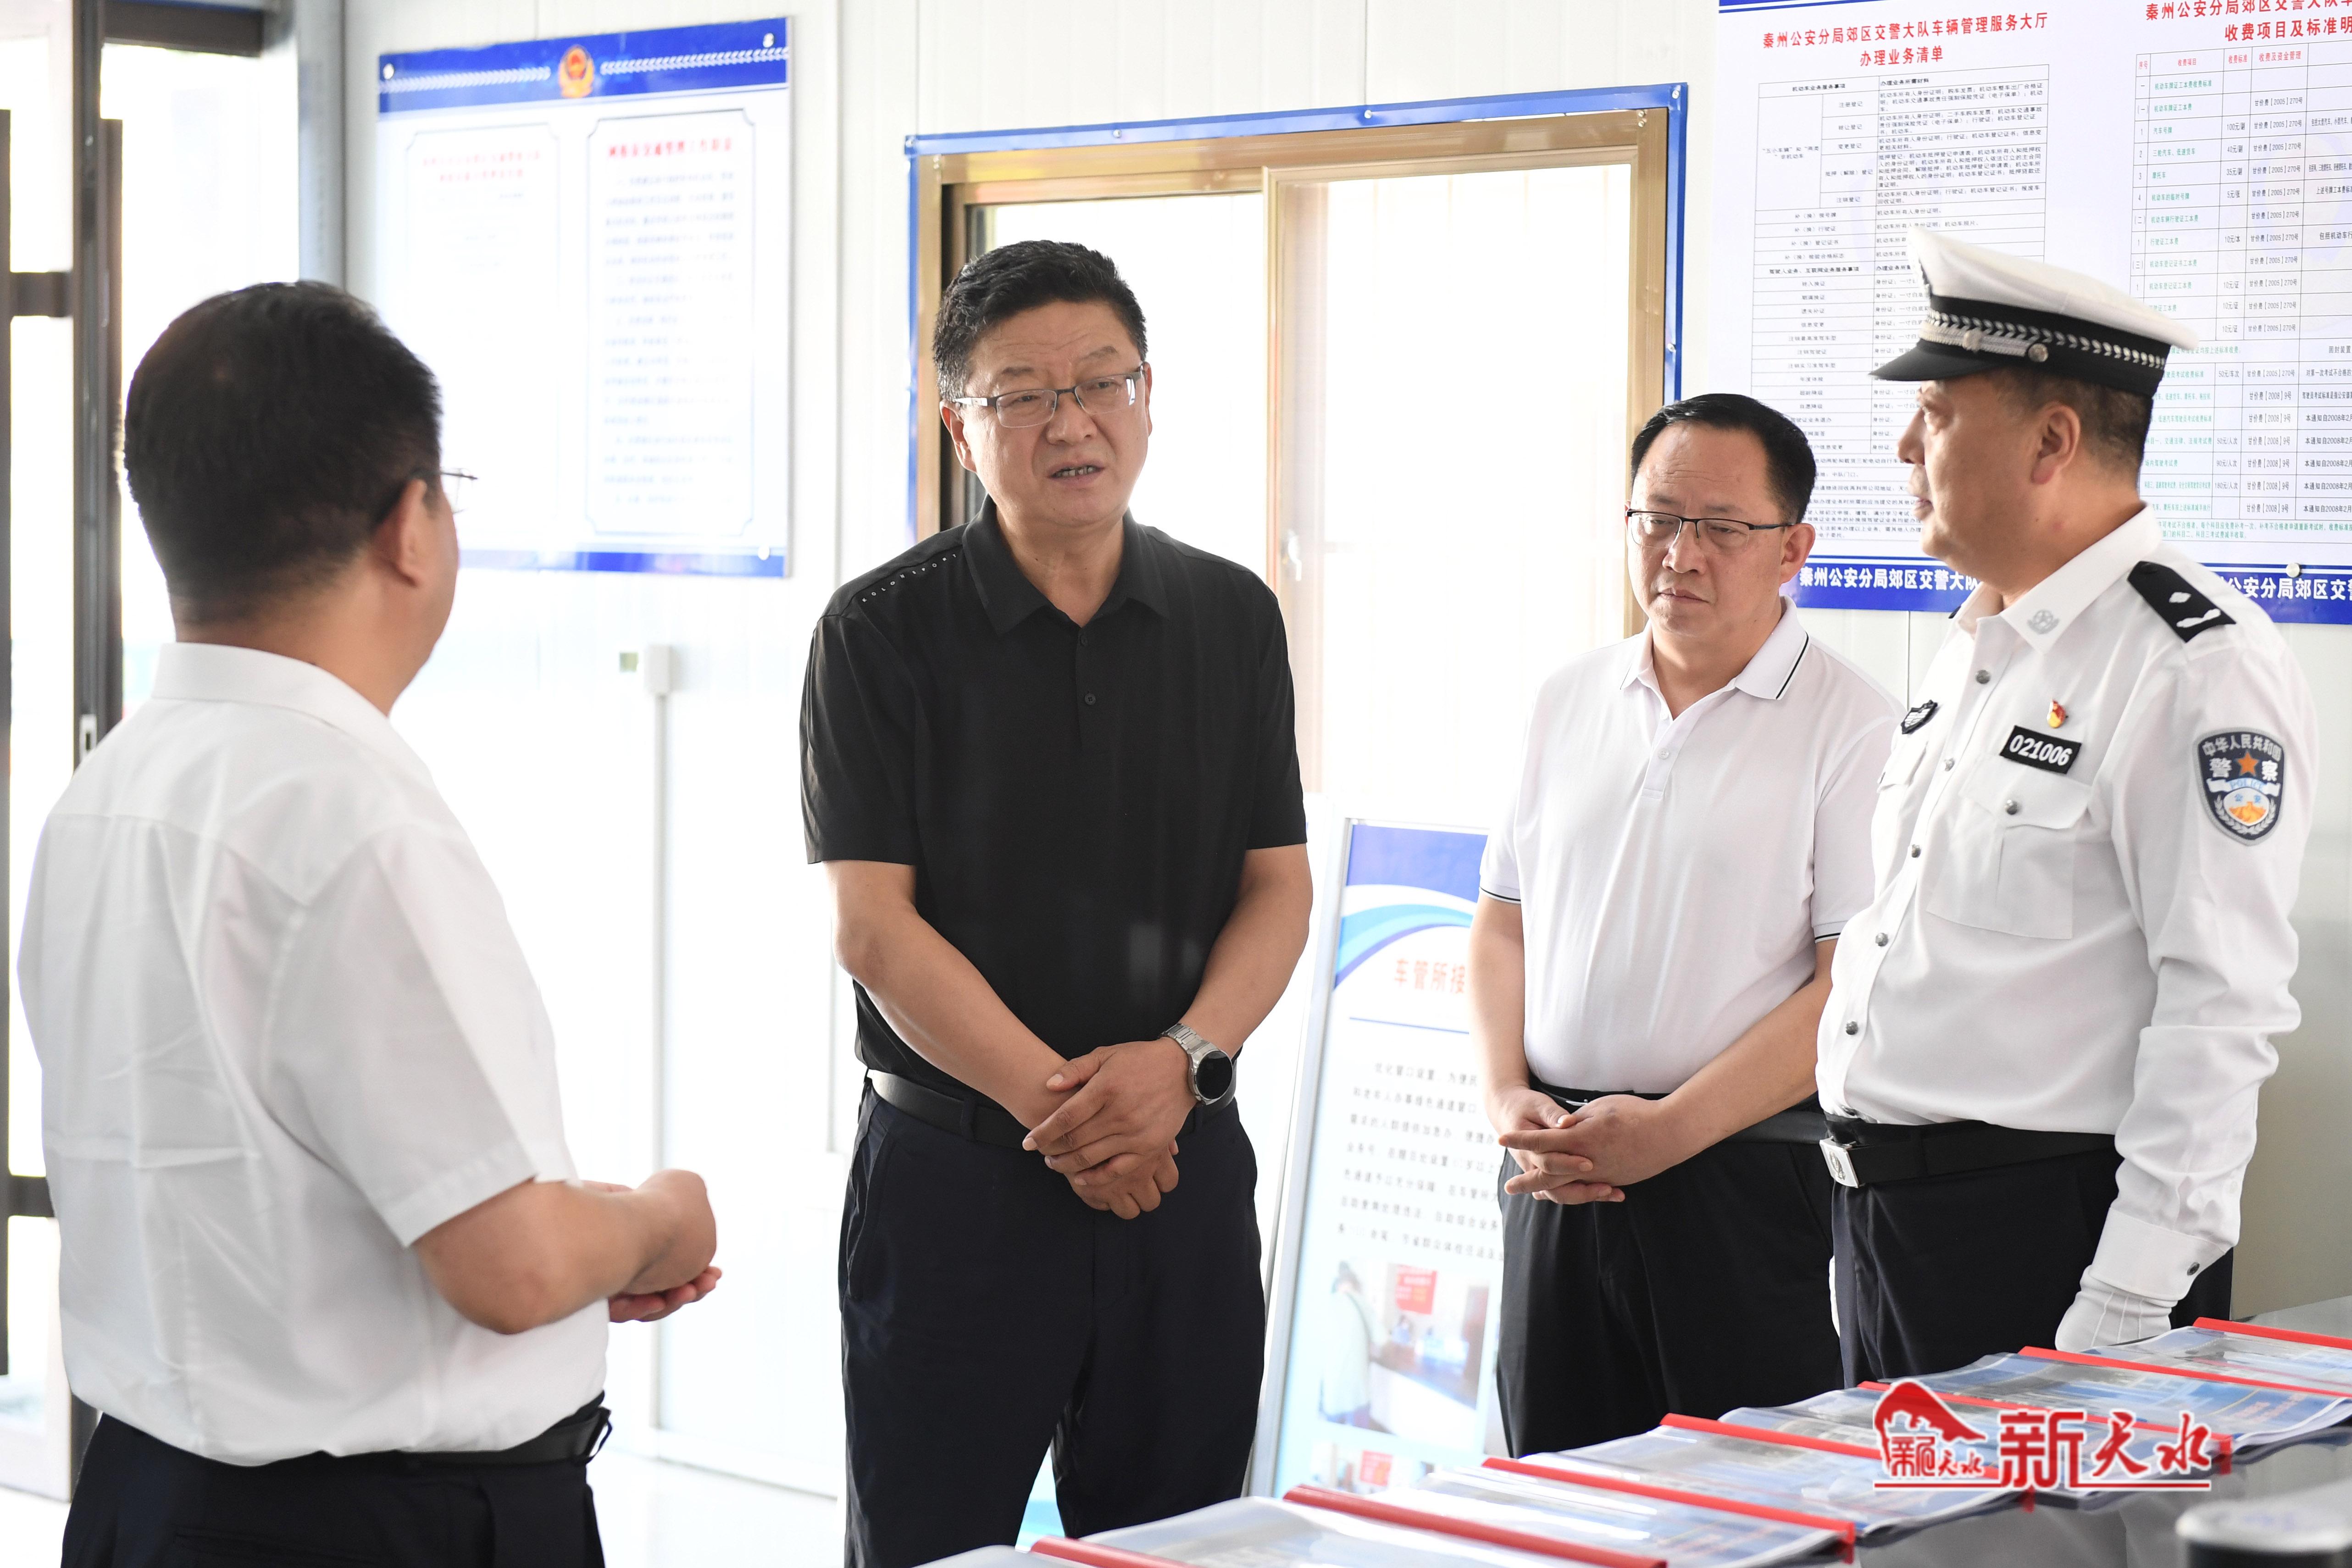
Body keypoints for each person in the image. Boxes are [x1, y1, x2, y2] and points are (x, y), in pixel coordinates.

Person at [24, 282, 722, 1568]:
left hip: (147, 1503)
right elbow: (510, 1268)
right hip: (375, 1527)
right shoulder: (348, 816)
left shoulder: (110, 790)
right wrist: (659, 1220)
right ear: (411, 526)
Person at [803, 239, 1312, 1568]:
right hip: (959, 1189)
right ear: (960, 427)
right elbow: (873, 928)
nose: (1071, 422)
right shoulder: (877, 634)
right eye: (1022, 394)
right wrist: (1082, 1121)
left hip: (1183, 1171)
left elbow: (1276, 887)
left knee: (1187, 1548)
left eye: (1101, 381)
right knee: (932, 1546)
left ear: (1147, 394)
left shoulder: (1232, 617)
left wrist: (1181, 1064)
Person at [1817, 228, 2316, 1381]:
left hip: (2051, 1246)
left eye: (1934, 412)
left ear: (2051, 440)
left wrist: (2130, 1297)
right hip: (1889, 1233)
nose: (1903, 445)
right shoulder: (1983, 641)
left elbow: (2219, 1009)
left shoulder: (2192, 665)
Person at [1470, 392, 1896, 1454]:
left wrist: (1664, 1134)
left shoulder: (1852, 724)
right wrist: (1503, 1094)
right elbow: (1501, 921)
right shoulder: (1565, 698)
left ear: (1792, 548)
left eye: (1720, 527)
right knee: (1554, 1490)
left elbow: (1848, 988)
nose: (1679, 554)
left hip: (1738, 1176)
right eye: (1656, 519)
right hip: (1554, 1166)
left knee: (1748, 1495)